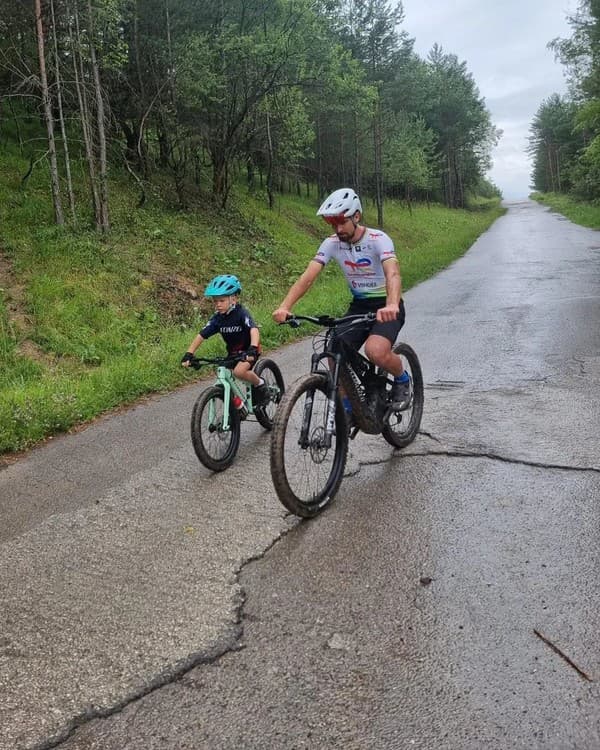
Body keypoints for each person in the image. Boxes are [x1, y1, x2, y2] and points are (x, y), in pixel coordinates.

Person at [272, 187, 411, 409]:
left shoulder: (378, 239)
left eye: (341, 222)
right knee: (334, 349)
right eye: (332, 223)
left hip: (386, 305)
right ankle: (347, 407)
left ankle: (403, 378)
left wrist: (392, 303)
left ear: (356, 216)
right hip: (359, 306)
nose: (337, 229)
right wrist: (285, 306)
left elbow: (392, 273)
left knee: (375, 351)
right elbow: (307, 277)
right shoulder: (331, 243)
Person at [181, 274, 270, 406]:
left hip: (249, 351)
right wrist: (189, 353)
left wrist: (253, 348)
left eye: (221, 301)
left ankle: (260, 384)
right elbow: (201, 335)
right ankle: (238, 406)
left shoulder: (241, 313)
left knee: (239, 372)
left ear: (233, 299)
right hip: (233, 354)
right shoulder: (217, 319)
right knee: (223, 374)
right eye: (215, 301)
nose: (218, 305)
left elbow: (253, 329)